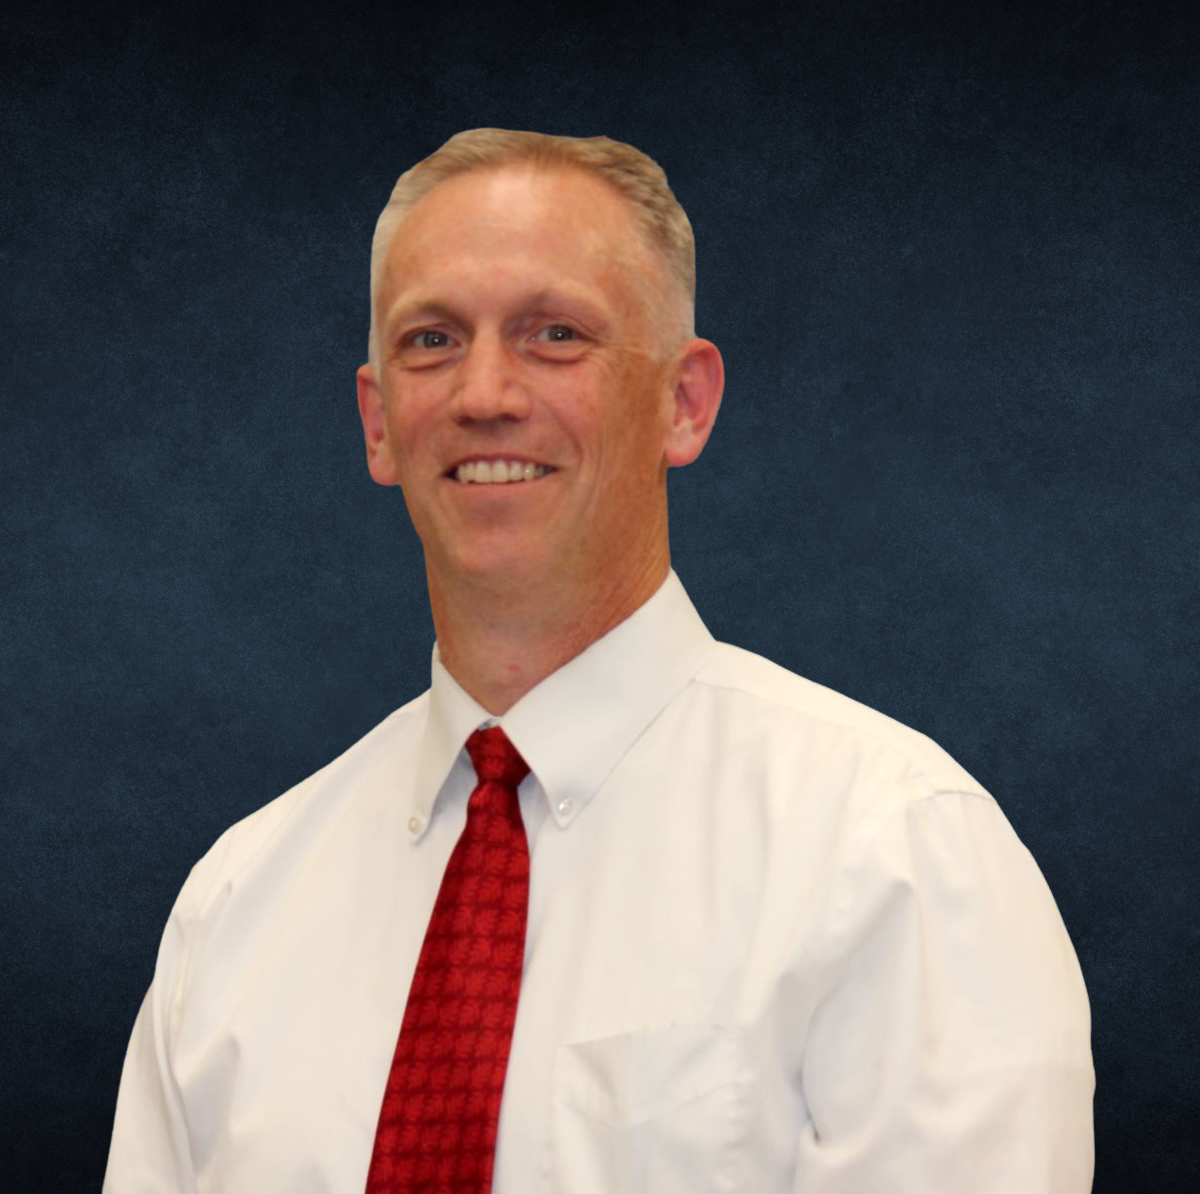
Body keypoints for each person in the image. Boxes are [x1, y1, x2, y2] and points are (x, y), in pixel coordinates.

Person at [104, 129, 1094, 1192]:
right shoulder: (238, 907)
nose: (484, 392)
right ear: (378, 422)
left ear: (685, 402)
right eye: (431, 340)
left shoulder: (892, 857)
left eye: (555, 334)